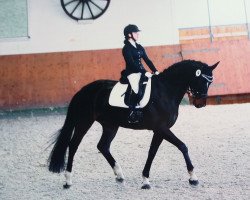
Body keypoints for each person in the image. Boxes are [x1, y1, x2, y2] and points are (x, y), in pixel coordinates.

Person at [122, 24, 159, 123]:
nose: (138, 34)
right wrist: (145, 72)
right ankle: (132, 112)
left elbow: (147, 60)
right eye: (135, 33)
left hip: (142, 72)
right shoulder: (126, 48)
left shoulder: (139, 47)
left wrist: (155, 71)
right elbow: (131, 63)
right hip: (132, 73)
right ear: (129, 35)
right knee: (137, 91)